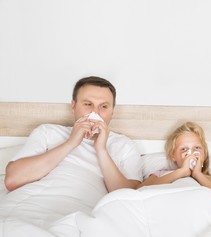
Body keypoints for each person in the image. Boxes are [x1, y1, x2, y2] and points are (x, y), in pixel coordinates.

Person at [5, 76, 142, 193]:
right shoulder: (47, 132)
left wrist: (101, 150)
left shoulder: (125, 146)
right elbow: (12, 180)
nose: (95, 113)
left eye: (104, 106)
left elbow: (128, 197)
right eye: (88, 104)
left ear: (113, 112)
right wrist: (71, 143)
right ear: (73, 106)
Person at [138, 121, 211, 206]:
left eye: (197, 148)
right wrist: (181, 172)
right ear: (173, 156)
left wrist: (198, 175)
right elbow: (139, 191)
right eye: (184, 149)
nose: (191, 153)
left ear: (204, 153)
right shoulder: (161, 174)